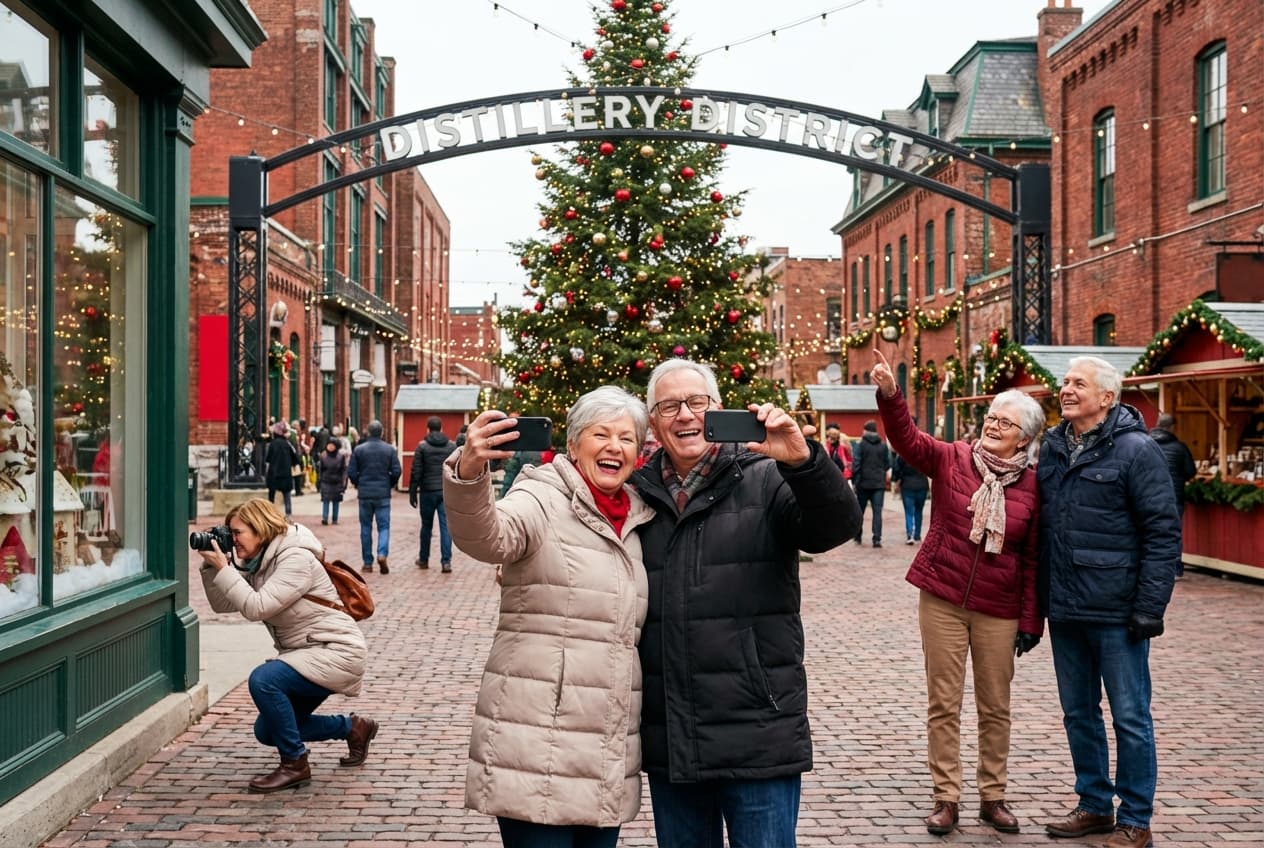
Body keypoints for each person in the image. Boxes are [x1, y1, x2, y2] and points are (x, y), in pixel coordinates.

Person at [630, 359, 860, 847]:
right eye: (669, 406)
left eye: (697, 402)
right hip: (673, 734)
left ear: (718, 408)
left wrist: (803, 463)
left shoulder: (767, 476)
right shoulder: (637, 497)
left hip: (758, 726)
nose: (685, 416)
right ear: (653, 422)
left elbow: (835, 527)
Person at [442, 387, 655, 847]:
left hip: (604, 752)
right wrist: (469, 470)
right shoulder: (541, 496)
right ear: (574, 444)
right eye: (601, 434)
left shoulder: (639, 518)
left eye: (627, 437)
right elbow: (488, 538)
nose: (614, 447)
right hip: (537, 742)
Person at [871, 346, 1045, 835]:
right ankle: (945, 797)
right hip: (943, 599)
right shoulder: (952, 458)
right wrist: (890, 395)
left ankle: (994, 797)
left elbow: (1032, 559)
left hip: (1000, 606)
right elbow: (906, 440)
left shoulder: (1033, 486)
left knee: (995, 706)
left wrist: (1031, 622)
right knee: (943, 702)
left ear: (1025, 438)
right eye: (992, 417)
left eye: (1005, 423)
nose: (993, 426)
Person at [1038, 356, 1181, 848]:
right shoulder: (1054, 447)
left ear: (1106, 397)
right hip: (1066, 609)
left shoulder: (1138, 450)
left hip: (1118, 612)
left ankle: (1136, 818)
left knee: (1130, 717)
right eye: (1065, 382)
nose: (1067, 389)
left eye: (1079, 383)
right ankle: (1094, 804)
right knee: (1078, 713)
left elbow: (1163, 533)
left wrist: (1149, 607)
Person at [197, 497, 377, 793]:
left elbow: (257, 607)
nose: (233, 540)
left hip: (336, 650)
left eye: (237, 533)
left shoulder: (295, 558)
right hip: (307, 652)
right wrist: (211, 566)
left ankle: (295, 764)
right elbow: (222, 604)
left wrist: (226, 570)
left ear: (261, 529)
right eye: (229, 533)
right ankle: (353, 727)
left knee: (263, 680)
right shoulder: (260, 562)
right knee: (268, 730)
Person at [347, 420, 401, 574]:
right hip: (382, 493)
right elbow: (397, 471)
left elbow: (351, 472)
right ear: (382, 432)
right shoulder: (389, 450)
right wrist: (389, 483)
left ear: (368, 432)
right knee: (384, 526)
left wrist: (359, 483)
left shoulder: (359, 450)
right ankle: (382, 553)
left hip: (365, 493)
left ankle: (367, 562)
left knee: (366, 527)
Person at [408, 416, 456, 573]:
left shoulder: (422, 447)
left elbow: (416, 471)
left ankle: (424, 559)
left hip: (428, 491)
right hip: (445, 491)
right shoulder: (451, 446)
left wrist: (413, 492)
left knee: (426, 526)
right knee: (445, 527)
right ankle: (446, 561)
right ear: (441, 428)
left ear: (427, 429)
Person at [891, 416, 930, 544]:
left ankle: (910, 534)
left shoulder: (904, 447)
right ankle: (917, 535)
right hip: (922, 484)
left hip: (907, 484)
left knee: (909, 511)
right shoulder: (924, 445)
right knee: (919, 511)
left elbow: (897, 467)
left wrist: (895, 480)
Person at [851, 419, 890, 547]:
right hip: (878, 484)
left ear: (866, 430)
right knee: (877, 512)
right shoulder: (883, 445)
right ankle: (877, 538)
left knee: (859, 511)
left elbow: (856, 464)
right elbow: (887, 463)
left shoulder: (860, 445)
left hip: (863, 483)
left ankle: (858, 535)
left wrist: (856, 480)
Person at [1150, 413, 1196, 518]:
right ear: (1172, 427)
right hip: (1173, 498)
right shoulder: (1180, 447)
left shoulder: (1144, 445)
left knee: (1151, 532)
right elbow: (1190, 472)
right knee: (1172, 532)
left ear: (1157, 425)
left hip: (1149, 497)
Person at [264, 421, 298, 517]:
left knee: (272, 494)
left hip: (274, 473)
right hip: (285, 473)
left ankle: (270, 513)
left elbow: (268, 458)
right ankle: (288, 514)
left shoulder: (272, 444)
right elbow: (295, 457)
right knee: (287, 495)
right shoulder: (287, 444)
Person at [317, 438, 347, 526]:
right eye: (328, 445)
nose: (330, 447)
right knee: (325, 500)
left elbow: (343, 470)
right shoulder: (323, 456)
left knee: (336, 501)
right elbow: (320, 470)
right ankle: (325, 518)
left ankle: (335, 518)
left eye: (332, 445)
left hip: (337, 481)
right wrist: (319, 481)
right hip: (326, 481)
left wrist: (344, 482)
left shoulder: (340, 457)